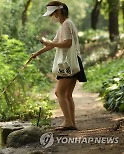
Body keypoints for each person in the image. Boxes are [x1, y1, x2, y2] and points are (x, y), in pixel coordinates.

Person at [31, 1, 87, 130]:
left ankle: (68, 122)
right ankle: (71, 123)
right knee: (67, 95)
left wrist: (51, 43)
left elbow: (67, 43)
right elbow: (53, 43)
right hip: (72, 61)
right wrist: (37, 53)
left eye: (53, 13)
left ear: (58, 11)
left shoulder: (66, 24)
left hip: (68, 63)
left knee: (59, 93)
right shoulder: (64, 25)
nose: (52, 16)